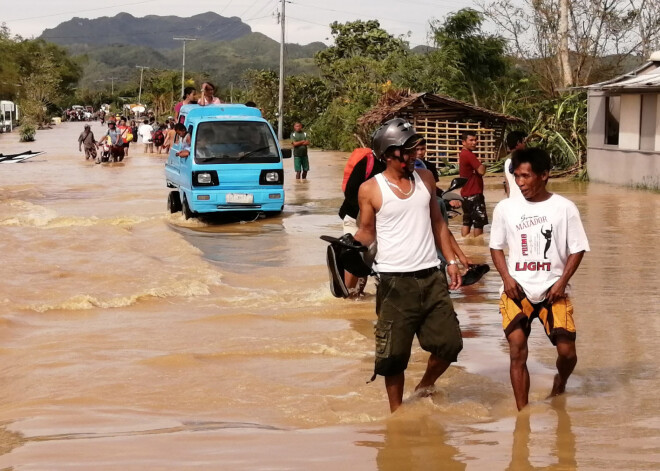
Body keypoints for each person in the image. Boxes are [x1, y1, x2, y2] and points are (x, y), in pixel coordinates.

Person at [352, 118, 463, 413]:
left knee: (450, 345)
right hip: (393, 283)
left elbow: (438, 223)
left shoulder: (426, 180)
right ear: (389, 154)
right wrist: (350, 248)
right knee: (393, 356)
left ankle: (425, 384)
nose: (416, 154)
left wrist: (451, 261)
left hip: (431, 276)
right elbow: (366, 231)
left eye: (416, 148)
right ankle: (397, 414)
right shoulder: (370, 189)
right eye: (409, 150)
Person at [489, 147, 590, 411]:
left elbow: (578, 248)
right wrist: (507, 279)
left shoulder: (564, 208)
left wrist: (561, 282)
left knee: (568, 353)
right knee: (517, 348)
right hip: (516, 289)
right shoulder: (506, 208)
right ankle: (522, 415)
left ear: (544, 175)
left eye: (526, 176)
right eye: (517, 176)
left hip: (552, 289)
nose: (520, 183)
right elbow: (496, 247)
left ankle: (561, 383)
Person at [458, 131, 487, 237]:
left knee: (467, 222)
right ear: (463, 142)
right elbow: (481, 171)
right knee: (479, 224)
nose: (474, 142)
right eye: (471, 140)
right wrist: (483, 166)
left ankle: (466, 246)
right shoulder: (469, 155)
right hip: (474, 194)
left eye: (475, 140)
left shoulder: (463, 154)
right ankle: (478, 247)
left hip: (465, 195)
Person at [503, 131, 527, 199]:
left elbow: (507, 185)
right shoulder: (522, 160)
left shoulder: (507, 162)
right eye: (523, 142)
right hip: (523, 200)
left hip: (512, 199)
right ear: (518, 143)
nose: (525, 145)